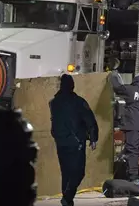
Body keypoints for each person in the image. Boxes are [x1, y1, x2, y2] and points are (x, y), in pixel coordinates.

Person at [49, 73, 99, 206]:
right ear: (72, 85)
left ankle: (67, 200)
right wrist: (93, 138)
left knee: (65, 172)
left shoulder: (54, 103)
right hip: (76, 143)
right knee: (79, 172)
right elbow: (90, 120)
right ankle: (68, 196)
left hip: (61, 143)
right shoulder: (78, 102)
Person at [110, 71, 139, 186]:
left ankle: (133, 177)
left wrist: (113, 75)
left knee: (132, 150)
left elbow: (117, 88)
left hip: (133, 126)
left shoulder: (131, 89)